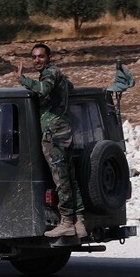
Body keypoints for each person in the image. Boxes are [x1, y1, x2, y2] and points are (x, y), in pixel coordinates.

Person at [17, 43, 86, 239]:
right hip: (64, 131)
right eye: (34, 57)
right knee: (69, 178)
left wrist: (22, 79)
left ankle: (66, 222)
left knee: (60, 179)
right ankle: (79, 220)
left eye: (41, 56)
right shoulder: (58, 73)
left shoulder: (50, 74)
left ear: (48, 57)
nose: (37, 60)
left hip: (54, 135)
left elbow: (43, 89)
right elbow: (69, 88)